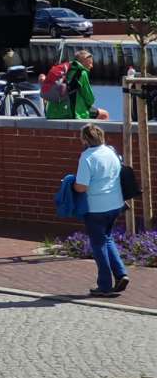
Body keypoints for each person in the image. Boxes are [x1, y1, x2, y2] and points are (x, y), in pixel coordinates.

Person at [73, 123, 129, 297]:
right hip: (115, 204)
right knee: (107, 238)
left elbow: (82, 187)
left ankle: (104, 285)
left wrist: (70, 185)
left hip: (96, 207)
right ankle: (121, 274)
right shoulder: (110, 152)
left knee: (98, 245)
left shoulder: (87, 157)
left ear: (85, 139)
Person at [46, 48, 108, 120]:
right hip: (70, 112)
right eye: (90, 63)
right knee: (104, 114)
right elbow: (90, 99)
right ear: (83, 62)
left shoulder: (64, 70)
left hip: (51, 113)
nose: (92, 66)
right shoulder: (82, 73)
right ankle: (91, 131)